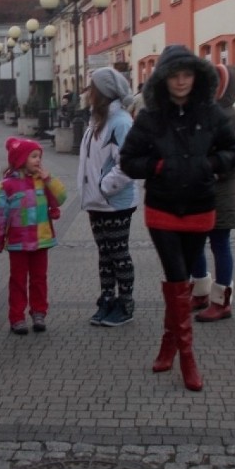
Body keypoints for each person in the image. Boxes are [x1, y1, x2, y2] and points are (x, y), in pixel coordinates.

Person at [119, 46, 235, 391]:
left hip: (200, 208)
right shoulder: (150, 117)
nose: (181, 82)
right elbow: (128, 160)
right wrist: (157, 166)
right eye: (174, 76)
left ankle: (168, 344)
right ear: (163, 79)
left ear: (197, 76)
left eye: (187, 75)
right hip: (162, 209)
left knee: (184, 281)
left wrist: (210, 165)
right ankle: (187, 357)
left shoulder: (212, 113)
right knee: (177, 278)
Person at [77, 68, 139, 327]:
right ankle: (107, 298)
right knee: (105, 254)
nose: (88, 92)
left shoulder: (121, 122)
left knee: (118, 253)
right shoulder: (97, 120)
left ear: (102, 92)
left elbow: (127, 163)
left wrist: (104, 187)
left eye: (91, 88)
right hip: (97, 202)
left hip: (115, 202)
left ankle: (125, 303)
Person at [189, 64, 235, 321]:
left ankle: (222, 300)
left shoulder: (231, 117)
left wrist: (212, 169)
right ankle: (201, 291)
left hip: (221, 193)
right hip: (200, 190)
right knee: (194, 243)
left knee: (219, 244)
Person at [0, 137, 66, 335]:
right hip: (18, 243)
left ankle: (39, 312)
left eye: (39, 156)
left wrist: (49, 179)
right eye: (33, 156)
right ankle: (17, 317)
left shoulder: (43, 181)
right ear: (21, 158)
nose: (38, 160)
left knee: (39, 279)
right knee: (18, 280)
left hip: (41, 240)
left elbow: (61, 197)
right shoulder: (6, 186)